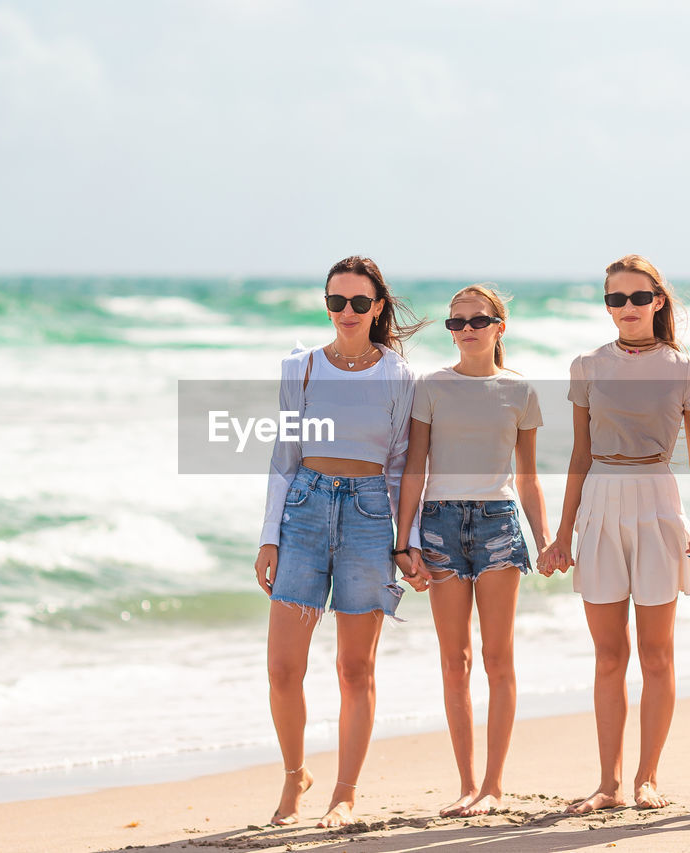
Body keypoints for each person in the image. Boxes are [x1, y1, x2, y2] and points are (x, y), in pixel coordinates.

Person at [540, 255, 690, 814]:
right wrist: (561, 533)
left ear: (658, 301)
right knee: (609, 656)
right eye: (616, 299)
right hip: (600, 502)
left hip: (658, 500)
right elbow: (579, 454)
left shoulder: (684, 370)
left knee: (657, 655)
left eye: (639, 298)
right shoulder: (587, 366)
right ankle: (608, 784)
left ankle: (648, 778)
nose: (628, 309)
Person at [254, 256, 422, 828]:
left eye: (357, 302)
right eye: (335, 302)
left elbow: (401, 464)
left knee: (355, 669)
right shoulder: (300, 368)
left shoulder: (398, 375)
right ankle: (294, 773)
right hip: (302, 510)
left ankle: (344, 793)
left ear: (377, 307)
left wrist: (407, 541)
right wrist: (268, 536)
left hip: (369, 514)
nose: (345, 312)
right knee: (282, 668)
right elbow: (283, 457)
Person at [394, 284, 552, 817]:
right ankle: (465, 784)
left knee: (497, 657)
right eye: (456, 323)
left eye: (477, 321)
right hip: (438, 527)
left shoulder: (520, 390)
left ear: (498, 328)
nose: (465, 331)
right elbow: (415, 467)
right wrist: (404, 540)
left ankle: (494, 784)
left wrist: (546, 538)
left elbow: (528, 479)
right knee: (454, 660)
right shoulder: (430, 387)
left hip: (498, 526)